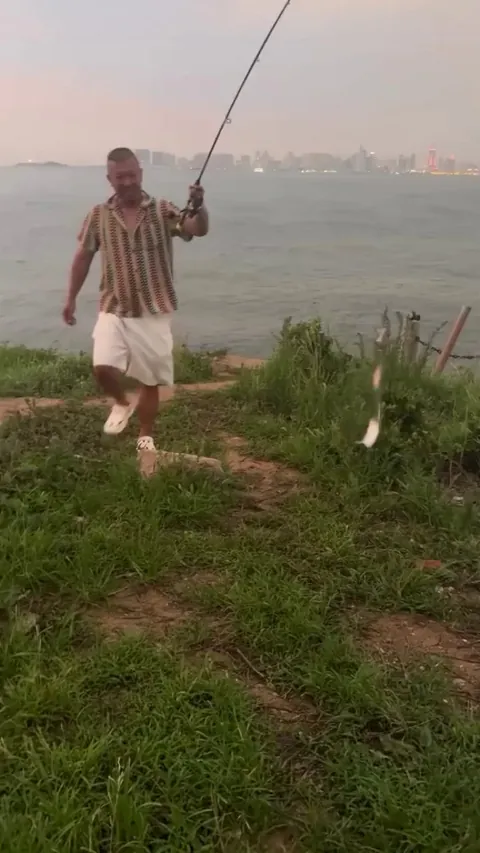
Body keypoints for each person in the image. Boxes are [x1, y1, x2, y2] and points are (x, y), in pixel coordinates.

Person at [62, 147, 209, 454]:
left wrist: (198, 207)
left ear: (140, 174)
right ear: (110, 179)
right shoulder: (98, 215)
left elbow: (196, 229)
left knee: (150, 379)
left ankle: (146, 434)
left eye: (132, 174)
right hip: (114, 305)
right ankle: (120, 402)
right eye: (120, 177)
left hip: (154, 309)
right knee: (101, 366)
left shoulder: (163, 209)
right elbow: (83, 257)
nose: (127, 181)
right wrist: (71, 298)